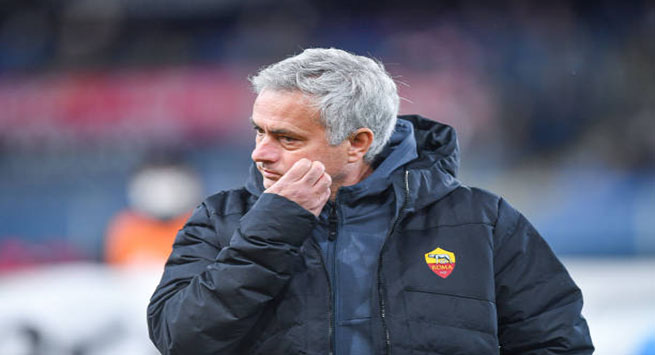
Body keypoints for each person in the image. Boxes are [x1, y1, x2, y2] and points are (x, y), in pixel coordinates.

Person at [147, 48, 594, 354]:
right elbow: (179, 338)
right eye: (259, 130)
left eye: (287, 138)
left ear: (358, 142)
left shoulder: (483, 222)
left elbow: (556, 341)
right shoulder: (222, 219)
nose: (260, 152)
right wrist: (274, 225)